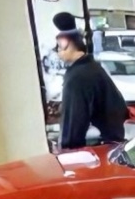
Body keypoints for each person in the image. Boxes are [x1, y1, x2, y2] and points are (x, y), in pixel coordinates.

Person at [52, 12, 127, 150]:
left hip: (94, 152)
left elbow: (73, 125)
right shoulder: (93, 68)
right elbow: (121, 108)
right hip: (112, 146)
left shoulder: (77, 78)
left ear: (66, 43)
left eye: (58, 46)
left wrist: (66, 153)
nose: (57, 51)